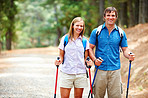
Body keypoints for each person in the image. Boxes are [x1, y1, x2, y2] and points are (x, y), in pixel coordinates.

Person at [89, 7, 135, 98]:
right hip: (100, 70)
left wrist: (129, 55)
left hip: (115, 70)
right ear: (104, 17)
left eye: (113, 15)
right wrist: (94, 60)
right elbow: (90, 48)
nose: (111, 17)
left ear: (116, 17)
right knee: (98, 96)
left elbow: (125, 49)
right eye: (108, 15)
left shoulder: (121, 33)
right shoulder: (96, 32)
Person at [55, 17, 91, 98]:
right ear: (72, 26)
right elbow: (61, 55)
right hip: (67, 72)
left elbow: (85, 58)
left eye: (81, 26)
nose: (79, 28)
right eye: (77, 25)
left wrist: (88, 62)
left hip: (80, 73)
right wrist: (59, 60)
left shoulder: (84, 41)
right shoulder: (65, 39)